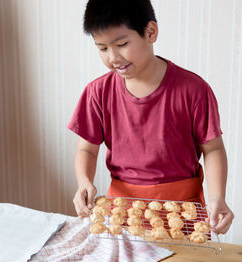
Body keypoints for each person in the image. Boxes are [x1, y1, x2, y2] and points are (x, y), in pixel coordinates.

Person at [68, 0, 233, 234]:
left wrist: (218, 197)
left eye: (122, 44)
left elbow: (213, 149)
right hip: (122, 212)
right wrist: (84, 182)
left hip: (183, 210)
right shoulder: (97, 93)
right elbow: (87, 149)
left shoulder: (193, 90)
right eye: (102, 48)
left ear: (150, 32)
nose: (113, 57)